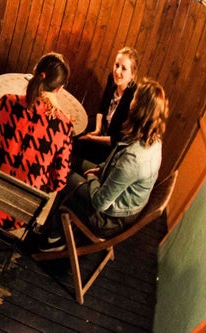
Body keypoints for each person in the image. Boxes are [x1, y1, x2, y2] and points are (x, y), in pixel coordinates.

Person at [41, 78, 168, 251]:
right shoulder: (152, 138)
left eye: (135, 98)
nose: (132, 101)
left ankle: (53, 238)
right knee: (70, 159)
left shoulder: (134, 159)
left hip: (107, 220)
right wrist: (100, 169)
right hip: (115, 194)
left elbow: (101, 202)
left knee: (65, 174)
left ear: (140, 109)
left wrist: (92, 177)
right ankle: (52, 223)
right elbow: (117, 162)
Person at [0, 52, 74, 232]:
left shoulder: (7, 103)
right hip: (21, 215)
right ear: (59, 89)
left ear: (34, 72)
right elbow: (58, 181)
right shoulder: (63, 126)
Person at [71, 47, 139, 169]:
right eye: (116, 65)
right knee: (74, 129)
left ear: (132, 75)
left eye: (123, 68)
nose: (117, 71)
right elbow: (101, 108)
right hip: (102, 129)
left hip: (109, 145)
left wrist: (92, 138)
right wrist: (97, 129)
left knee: (77, 145)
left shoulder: (132, 98)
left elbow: (117, 139)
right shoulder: (112, 80)